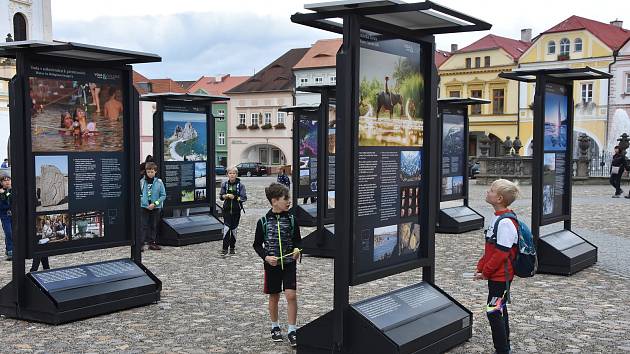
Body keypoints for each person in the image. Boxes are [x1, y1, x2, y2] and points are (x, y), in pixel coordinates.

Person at [474, 179, 520, 354]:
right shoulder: (497, 218)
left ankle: (502, 349)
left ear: (499, 198)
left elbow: (501, 253)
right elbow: (490, 249)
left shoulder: (506, 223)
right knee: (500, 308)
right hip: (497, 276)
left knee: (493, 311)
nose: (487, 191)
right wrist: (481, 266)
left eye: (491, 190)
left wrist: (486, 272)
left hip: (501, 277)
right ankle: (505, 344)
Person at [252, 183, 301, 347]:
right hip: (272, 266)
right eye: (285, 198)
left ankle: (292, 330)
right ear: (274, 201)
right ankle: (275, 327)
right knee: (274, 296)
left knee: (291, 296)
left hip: (289, 264)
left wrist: (297, 249)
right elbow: (257, 245)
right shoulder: (263, 222)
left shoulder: (292, 219)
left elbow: (298, 241)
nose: (289, 201)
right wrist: (266, 257)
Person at [219, 167, 247, 255]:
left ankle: (232, 247)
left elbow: (244, 198)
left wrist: (234, 197)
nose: (232, 175)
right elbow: (221, 196)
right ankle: (224, 248)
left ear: (236, 175)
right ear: (227, 175)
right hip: (226, 210)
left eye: (234, 173)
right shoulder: (225, 184)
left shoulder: (241, 186)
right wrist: (224, 196)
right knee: (226, 228)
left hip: (236, 210)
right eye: (230, 173)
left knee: (234, 229)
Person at [140, 162, 166, 250]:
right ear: (146, 172)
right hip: (144, 207)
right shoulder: (142, 182)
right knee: (143, 225)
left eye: (152, 172)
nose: (150, 174)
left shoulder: (159, 182)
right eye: (148, 172)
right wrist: (145, 204)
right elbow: (139, 194)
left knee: (154, 225)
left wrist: (155, 204)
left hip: (155, 208)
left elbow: (163, 195)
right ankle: (141, 244)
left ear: (155, 172)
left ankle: (152, 243)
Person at [0, 175, 13, 260]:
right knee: (8, 232)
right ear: (1, 183)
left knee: (14, 233)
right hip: (5, 215)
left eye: (8, 180)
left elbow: (11, 198)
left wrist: (4, 193)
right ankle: (10, 251)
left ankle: (11, 249)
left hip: (15, 215)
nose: (7, 181)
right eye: (4, 180)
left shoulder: (12, 191)